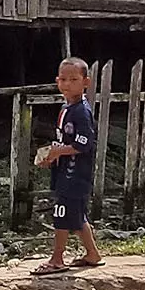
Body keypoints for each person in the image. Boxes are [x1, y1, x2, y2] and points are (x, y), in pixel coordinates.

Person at [34, 57, 103, 275]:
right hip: (65, 170)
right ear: (57, 81)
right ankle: (92, 254)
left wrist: (58, 152)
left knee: (62, 215)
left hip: (75, 173)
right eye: (63, 79)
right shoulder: (66, 108)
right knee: (78, 216)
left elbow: (84, 144)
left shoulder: (81, 111)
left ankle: (57, 259)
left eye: (73, 79)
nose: (67, 84)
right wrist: (51, 155)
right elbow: (64, 141)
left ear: (86, 82)